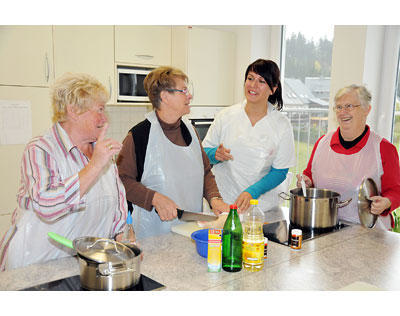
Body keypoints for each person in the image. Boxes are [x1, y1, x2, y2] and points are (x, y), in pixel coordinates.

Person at [0, 72, 132, 271]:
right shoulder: (41, 149)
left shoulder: (100, 151)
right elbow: (47, 205)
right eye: (100, 109)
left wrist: (123, 236)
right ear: (74, 111)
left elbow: (117, 202)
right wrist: (95, 165)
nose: (105, 118)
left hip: (82, 265)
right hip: (34, 266)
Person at [117, 66, 230, 239]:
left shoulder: (191, 132)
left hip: (191, 233)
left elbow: (205, 171)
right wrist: (153, 198)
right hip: (153, 238)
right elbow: (121, 181)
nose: (190, 95)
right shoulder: (138, 137)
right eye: (183, 90)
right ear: (164, 96)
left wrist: (214, 198)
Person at [297, 84, 400, 230]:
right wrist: (306, 182)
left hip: (370, 233)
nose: (342, 112)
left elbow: (396, 190)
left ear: (366, 109)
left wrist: (386, 202)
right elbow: (310, 176)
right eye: (338, 107)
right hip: (327, 228)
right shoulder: (322, 143)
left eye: (349, 106)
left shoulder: (383, 149)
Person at [202, 59, 296, 212]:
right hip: (223, 202)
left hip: (260, 206)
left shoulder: (281, 125)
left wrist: (253, 191)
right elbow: (204, 153)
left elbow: (280, 171)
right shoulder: (226, 116)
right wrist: (215, 154)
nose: (253, 85)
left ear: (273, 89)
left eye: (261, 81)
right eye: (250, 78)